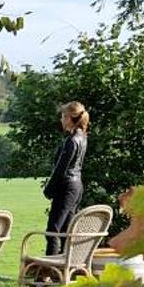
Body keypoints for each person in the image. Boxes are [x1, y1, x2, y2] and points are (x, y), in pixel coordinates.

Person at [42, 101, 90, 255]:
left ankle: (49, 272)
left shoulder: (71, 141)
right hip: (76, 186)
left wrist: (49, 190)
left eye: (63, 116)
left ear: (70, 118)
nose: (61, 120)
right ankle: (65, 268)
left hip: (66, 187)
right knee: (66, 230)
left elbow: (60, 169)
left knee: (53, 230)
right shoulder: (82, 137)